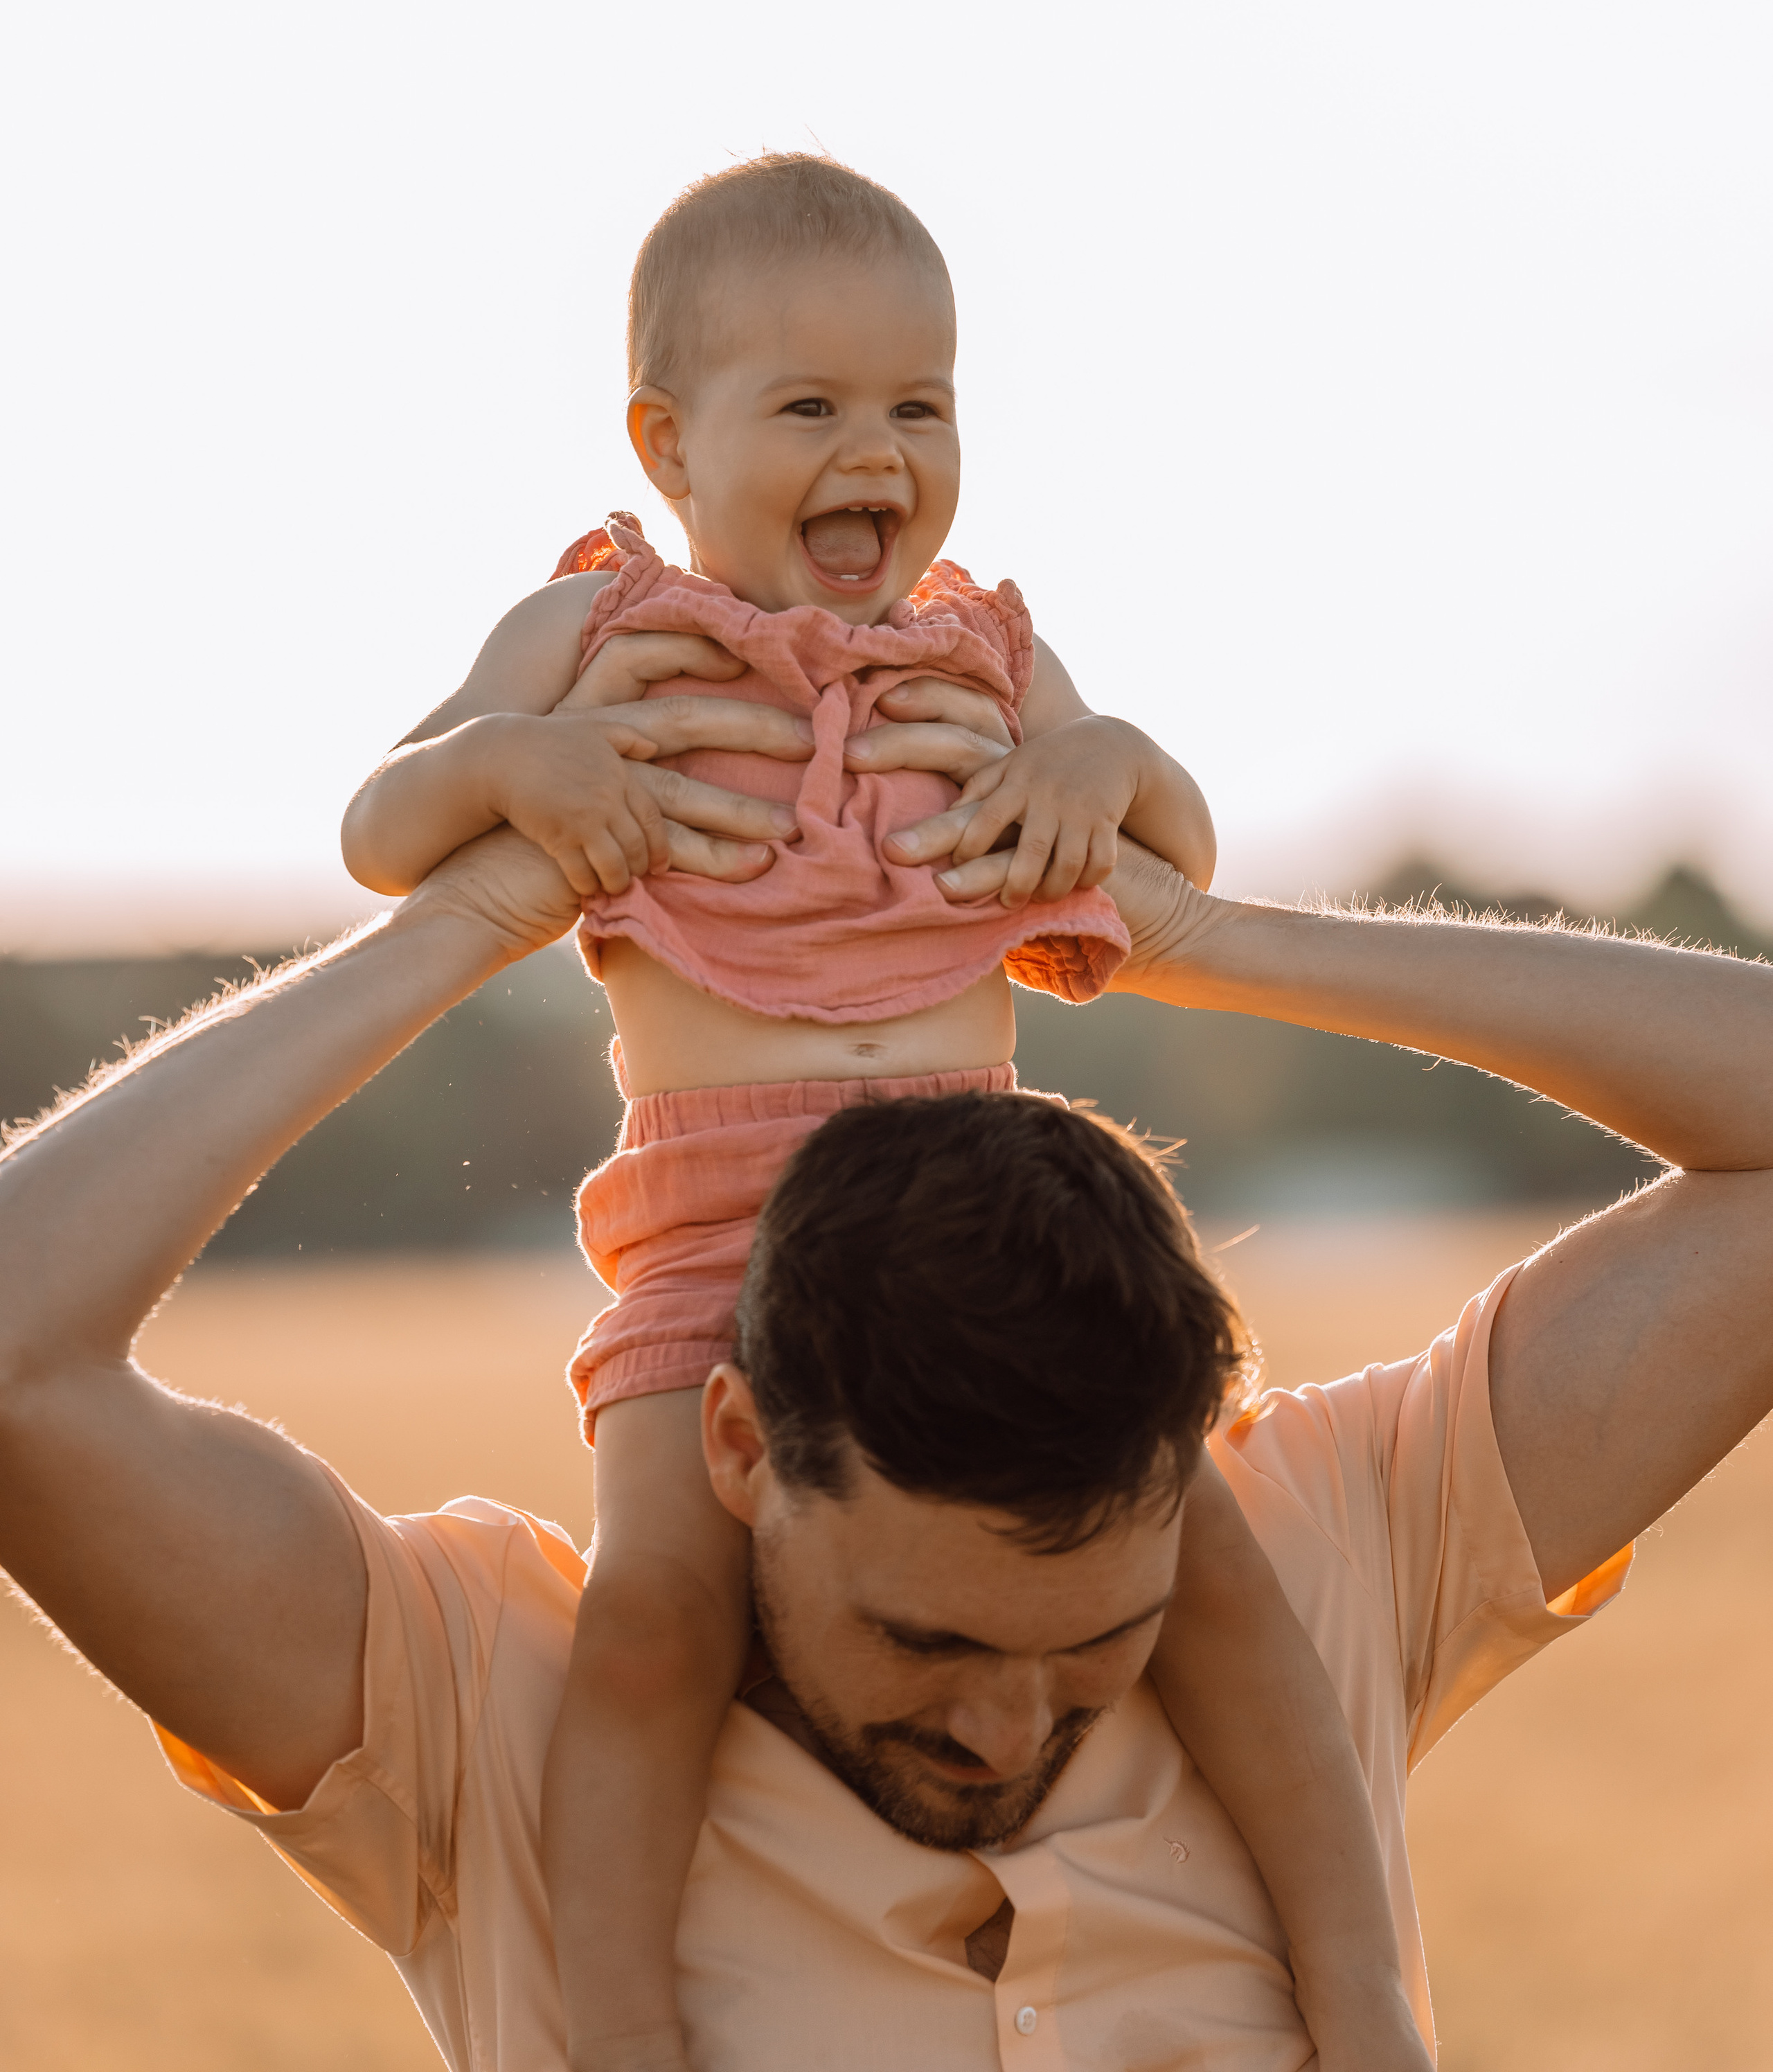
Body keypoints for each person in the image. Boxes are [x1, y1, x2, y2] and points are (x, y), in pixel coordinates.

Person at [3, 816, 1771, 2069]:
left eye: (1100, 1645)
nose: (1009, 1732)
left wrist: (1191, 941)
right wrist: (466, 923)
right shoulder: (483, 1716)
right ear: (738, 1445)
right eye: (925, 1638)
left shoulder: (1322, 1557)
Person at [337, 152, 1424, 2072]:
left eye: (921, 405)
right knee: (659, 1625)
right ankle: (619, 2030)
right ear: (669, 441)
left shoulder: (986, 652)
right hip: (711, 1239)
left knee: (1222, 1585)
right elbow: (380, 829)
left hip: (979, 1219)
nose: (882, 448)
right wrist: (522, 761)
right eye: (815, 406)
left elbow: (1176, 842)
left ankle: (1369, 2010)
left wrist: (1099, 756)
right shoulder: (599, 642)